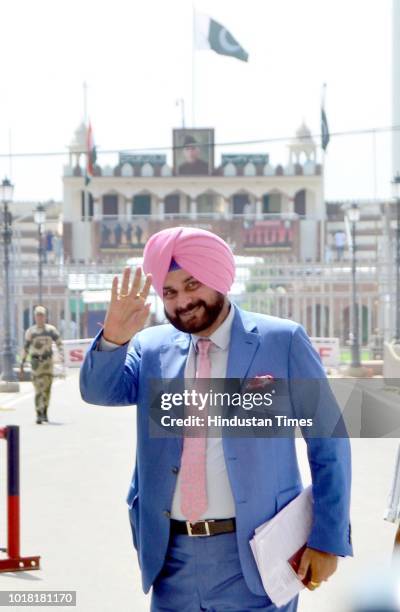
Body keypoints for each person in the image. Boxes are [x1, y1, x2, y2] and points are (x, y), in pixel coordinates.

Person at [80, 227, 352, 611]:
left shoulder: (281, 341)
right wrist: (114, 339)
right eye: (170, 292)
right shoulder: (152, 348)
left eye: (192, 285)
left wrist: (328, 539)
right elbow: (99, 391)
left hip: (257, 558)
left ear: (219, 277)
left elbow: (329, 442)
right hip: (171, 561)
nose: (183, 301)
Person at [20, 306, 64, 424]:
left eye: (42, 315)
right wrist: (22, 362)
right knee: (38, 389)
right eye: (38, 315)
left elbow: (59, 343)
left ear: (45, 316)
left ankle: (45, 411)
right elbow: (26, 347)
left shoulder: (51, 330)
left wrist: (61, 356)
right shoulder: (31, 332)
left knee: (47, 389)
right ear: (35, 317)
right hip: (36, 363)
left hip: (47, 363)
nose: (40, 317)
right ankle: (39, 413)